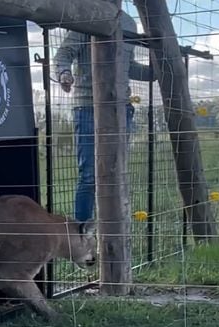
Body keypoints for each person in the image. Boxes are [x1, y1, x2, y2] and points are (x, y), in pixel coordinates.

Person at [55, 12, 154, 223]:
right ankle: (82, 236)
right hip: (88, 107)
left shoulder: (128, 22)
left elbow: (129, 66)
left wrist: (157, 71)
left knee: (116, 173)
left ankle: (113, 229)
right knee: (90, 176)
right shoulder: (88, 14)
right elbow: (64, 53)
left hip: (121, 109)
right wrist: (64, 73)